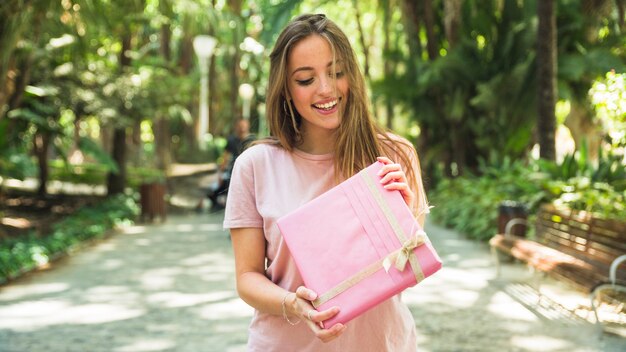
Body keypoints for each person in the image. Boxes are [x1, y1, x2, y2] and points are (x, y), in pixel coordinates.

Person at [223, 14, 430, 351]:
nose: (326, 89)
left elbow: (406, 269)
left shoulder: (395, 154)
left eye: (336, 73)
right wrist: (293, 304)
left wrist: (403, 215)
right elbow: (247, 278)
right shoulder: (256, 165)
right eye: (306, 79)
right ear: (286, 90)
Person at [206, 118, 255, 210]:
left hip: (249, 171)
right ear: (236, 127)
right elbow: (225, 157)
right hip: (233, 170)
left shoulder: (252, 140)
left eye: (244, 126)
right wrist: (220, 173)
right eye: (240, 126)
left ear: (248, 126)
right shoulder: (231, 140)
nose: (242, 128)